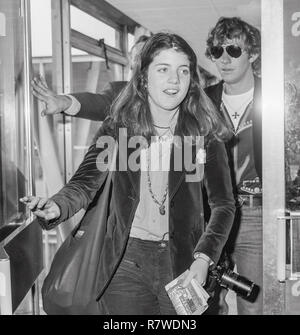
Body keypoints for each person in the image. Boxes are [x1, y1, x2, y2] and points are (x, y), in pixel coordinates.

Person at [22, 32, 235, 315]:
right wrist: (56, 206)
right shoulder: (120, 128)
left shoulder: (202, 131)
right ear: (144, 77)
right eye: (163, 69)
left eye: (183, 71)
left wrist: (204, 258)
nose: (174, 80)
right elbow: (85, 183)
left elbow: (224, 204)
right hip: (125, 261)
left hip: (185, 262)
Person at [204, 17, 262, 315]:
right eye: (217, 51)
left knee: (252, 306)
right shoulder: (203, 102)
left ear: (251, 54)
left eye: (234, 51)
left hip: (257, 215)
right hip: (212, 214)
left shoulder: (277, 99)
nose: (224, 59)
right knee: (207, 304)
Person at [31, 35, 150, 121]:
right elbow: (96, 104)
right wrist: (65, 102)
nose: (142, 62)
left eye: (147, 56)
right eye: (137, 58)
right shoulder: (119, 92)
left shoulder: (168, 90)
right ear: (132, 65)